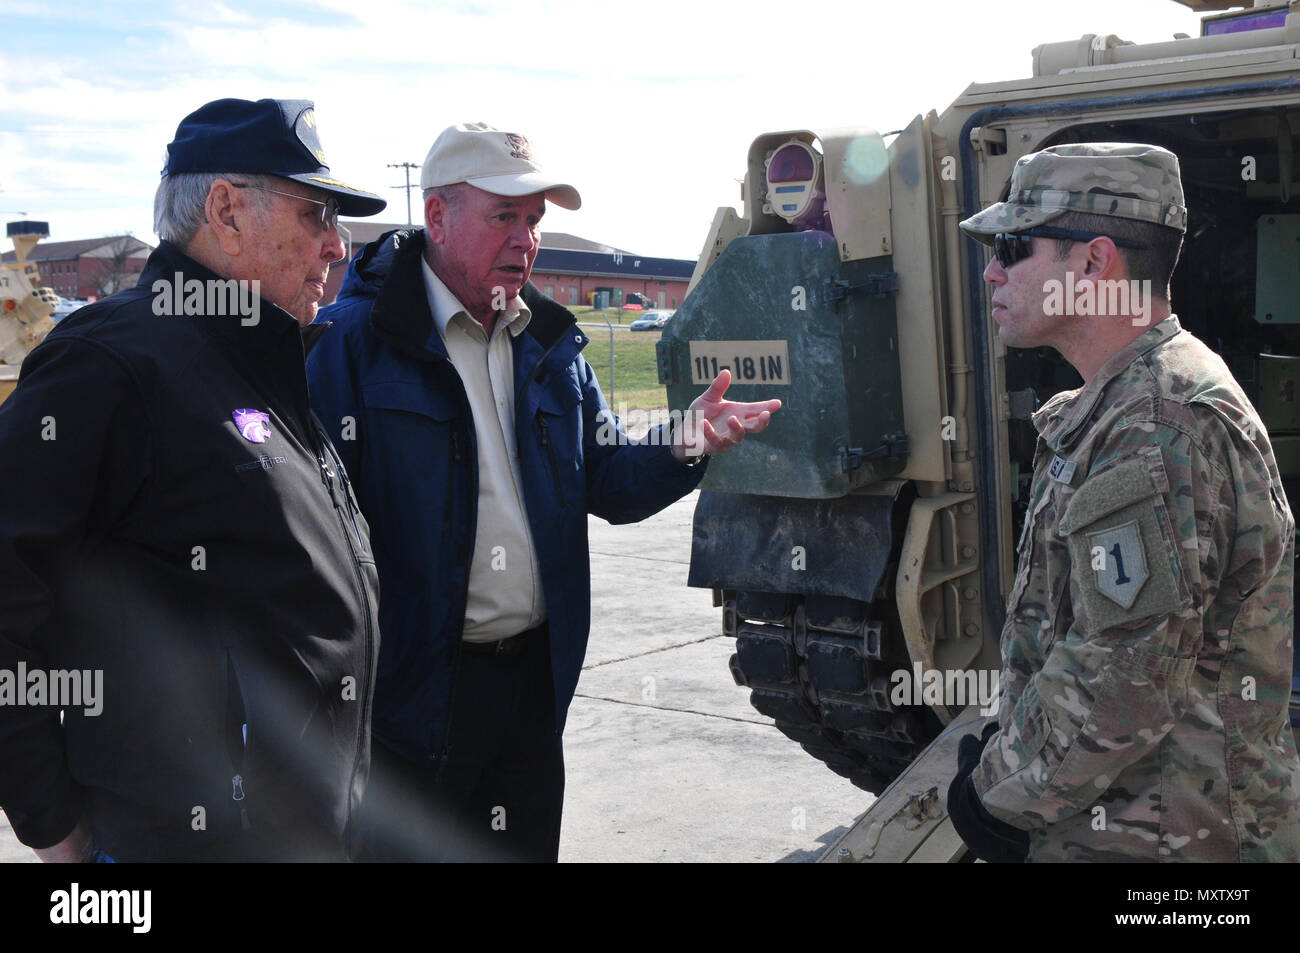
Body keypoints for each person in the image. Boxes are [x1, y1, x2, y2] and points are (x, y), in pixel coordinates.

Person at [307, 122, 780, 861]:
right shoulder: (351, 345)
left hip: (530, 688)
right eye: (504, 217)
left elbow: (608, 478)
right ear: (437, 216)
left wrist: (683, 441)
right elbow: (310, 542)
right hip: (411, 702)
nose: (526, 240)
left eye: (534, 221)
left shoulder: (550, 346)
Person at [0, 98, 388, 862]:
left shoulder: (266, 360)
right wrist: (51, 823)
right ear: (226, 210)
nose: (338, 246)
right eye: (317, 215)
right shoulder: (113, 364)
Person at [947, 142, 1300, 862]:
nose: (991, 271)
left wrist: (998, 791)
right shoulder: (1129, 403)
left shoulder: (1158, 422)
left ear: (1091, 262)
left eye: (1013, 247)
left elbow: (1122, 678)